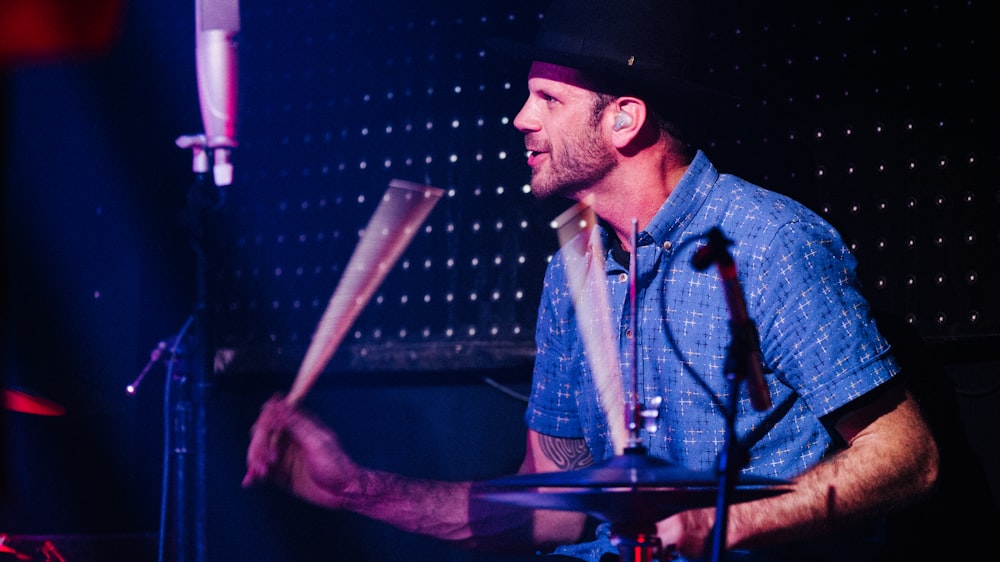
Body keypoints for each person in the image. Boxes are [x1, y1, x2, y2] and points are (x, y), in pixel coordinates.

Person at [242, 1, 940, 560]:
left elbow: (907, 456)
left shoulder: (766, 244)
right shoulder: (572, 272)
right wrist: (358, 491)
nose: (520, 118)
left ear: (625, 120)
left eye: (547, 97)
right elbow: (549, 508)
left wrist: (722, 527)